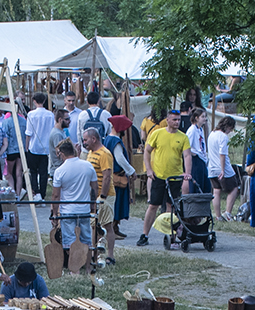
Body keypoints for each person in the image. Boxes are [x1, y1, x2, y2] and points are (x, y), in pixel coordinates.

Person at [138, 109, 190, 246]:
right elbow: (147, 151)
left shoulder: (183, 137)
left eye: (178, 120)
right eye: (174, 120)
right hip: (159, 176)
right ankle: (144, 234)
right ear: (167, 120)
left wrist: (187, 173)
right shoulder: (157, 134)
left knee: (171, 206)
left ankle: (170, 236)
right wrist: (149, 169)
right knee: (153, 205)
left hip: (175, 177)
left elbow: (187, 156)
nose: (177, 122)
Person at [80, 128, 129, 263]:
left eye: (85, 140)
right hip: (93, 195)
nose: (84, 142)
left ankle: (110, 256)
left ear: (94, 139)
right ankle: (94, 254)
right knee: (93, 226)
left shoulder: (104, 154)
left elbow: (107, 176)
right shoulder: (91, 152)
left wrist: (102, 196)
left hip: (105, 195)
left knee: (107, 225)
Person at [49, 138, 97, 264]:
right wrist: (93, 205)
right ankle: (87, 266)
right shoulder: (87, 165)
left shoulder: (60, 171)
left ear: (62, 154)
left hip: (67, 210)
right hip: (84, 209)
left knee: (69, 241)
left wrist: (54, 213)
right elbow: (94, 188)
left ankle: (74, 268)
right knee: (86, 239)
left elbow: (55, 195)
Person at [23, 93, 56, 200]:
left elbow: (29, 133)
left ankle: (36, 192)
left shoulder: (31, 114)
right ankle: (42, 193)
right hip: (45, 148)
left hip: (34, 146)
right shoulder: (50, 115)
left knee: (33, 172)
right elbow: (52, 130)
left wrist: (26, 146)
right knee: (43, 173)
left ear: (34, 101)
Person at [211, 116, 240, 220]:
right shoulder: (223, 136)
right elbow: (222, 154)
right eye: (230, 128)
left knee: (216, 191)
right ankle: (228, 212)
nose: (230, 131)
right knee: (234, 188)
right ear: (227, 126)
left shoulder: (212, 134)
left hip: (212, 168)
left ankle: (218, 215)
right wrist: (223, 169)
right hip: (223, 168)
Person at [0, 104, 22, 192]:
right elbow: (5, 143)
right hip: (5, 154)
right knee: (18, 174)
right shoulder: (0, 128)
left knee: (9, 174)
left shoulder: (5, 123)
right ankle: (16, 194)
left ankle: (11, 189)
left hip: (8, 152)